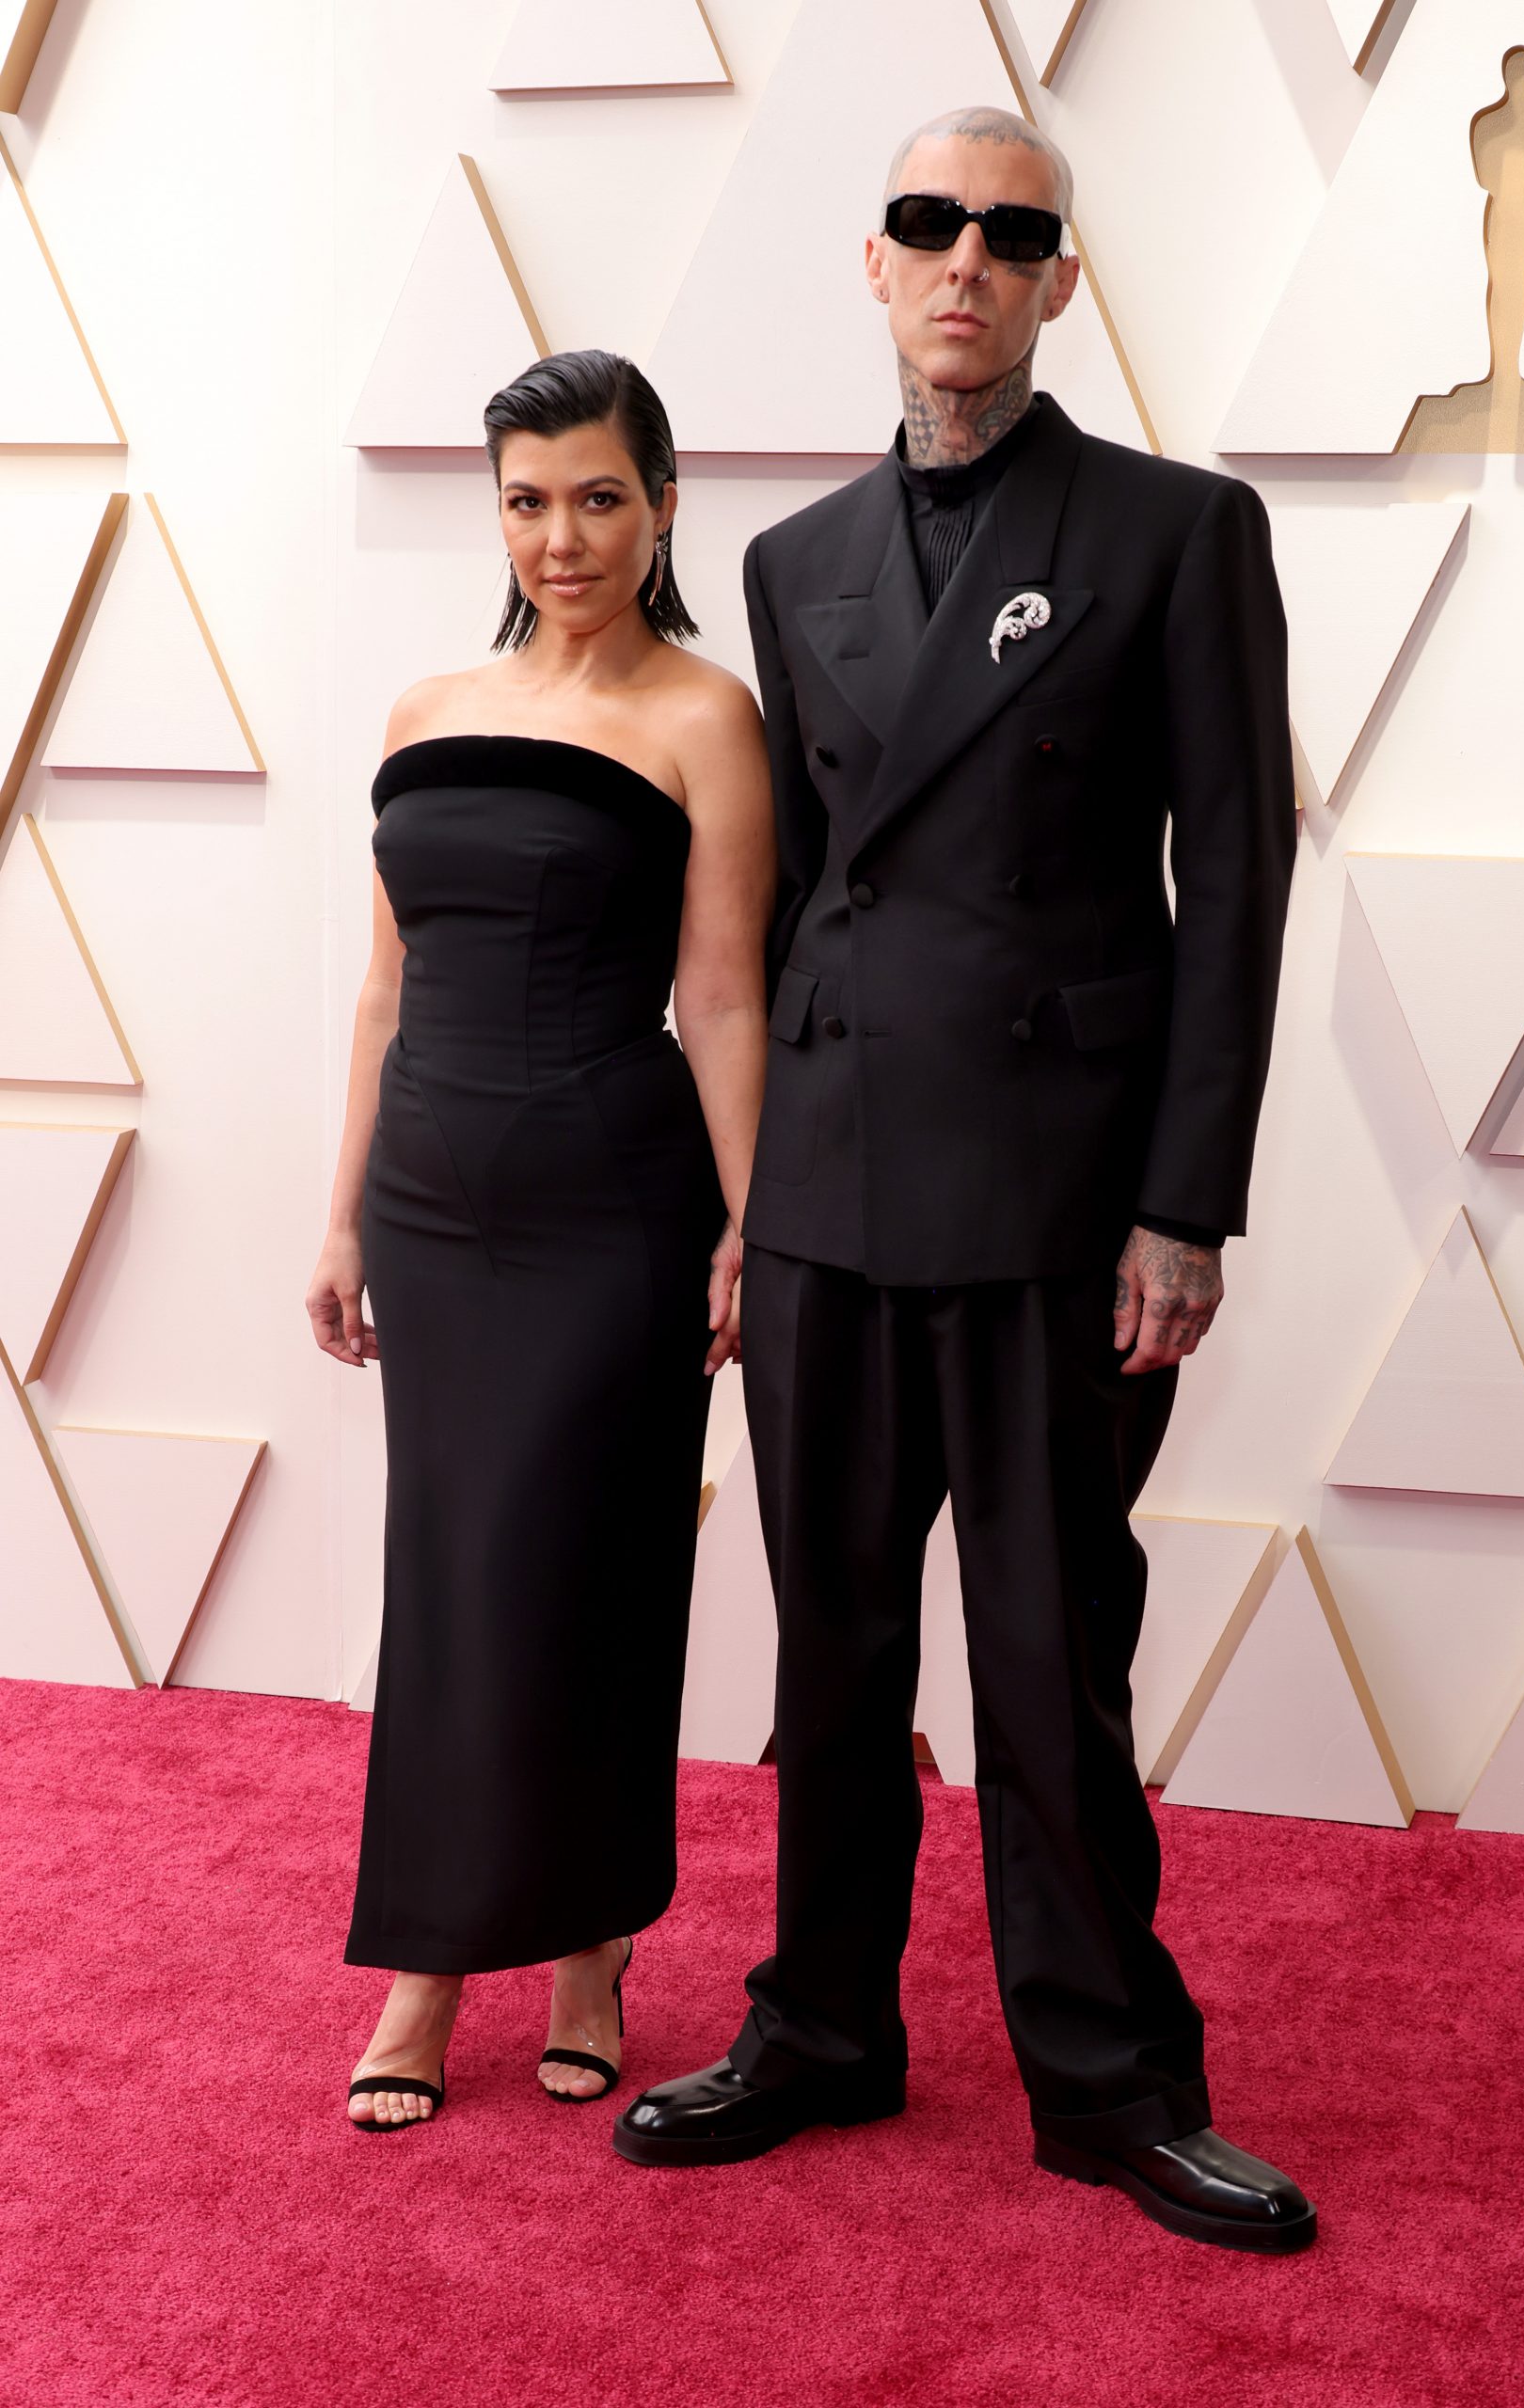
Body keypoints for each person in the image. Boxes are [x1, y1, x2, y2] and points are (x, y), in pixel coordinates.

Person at [612, 110, 1314, 2254]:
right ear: (876, 260)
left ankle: (1108, 2077)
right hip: (826, 1185)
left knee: (1046, 1657)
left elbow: (1235, 884)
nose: (965, 262)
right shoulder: (792, 558)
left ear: (1058, 283)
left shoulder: (1178, 531)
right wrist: (743, 1201)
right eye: (929, 224)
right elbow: (789, 902)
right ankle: (823, 2021)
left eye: (1011, 234)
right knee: (830, 1648)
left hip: (1052, 1199)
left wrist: (1184, 1202)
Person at [306, 350, 773, 2128]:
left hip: (612, 1198)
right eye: (525, 501)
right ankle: (425, 1968)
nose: (559, 537)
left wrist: (751, 1220)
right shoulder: (424, 710)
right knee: (446, 1577)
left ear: (661, 505)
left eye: (596, 498)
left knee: (592, 1573)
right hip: (430, 1200)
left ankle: (589, 1942)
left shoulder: (703, 717)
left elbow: (720, 994)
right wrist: (340, 1214)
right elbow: (382, 991)